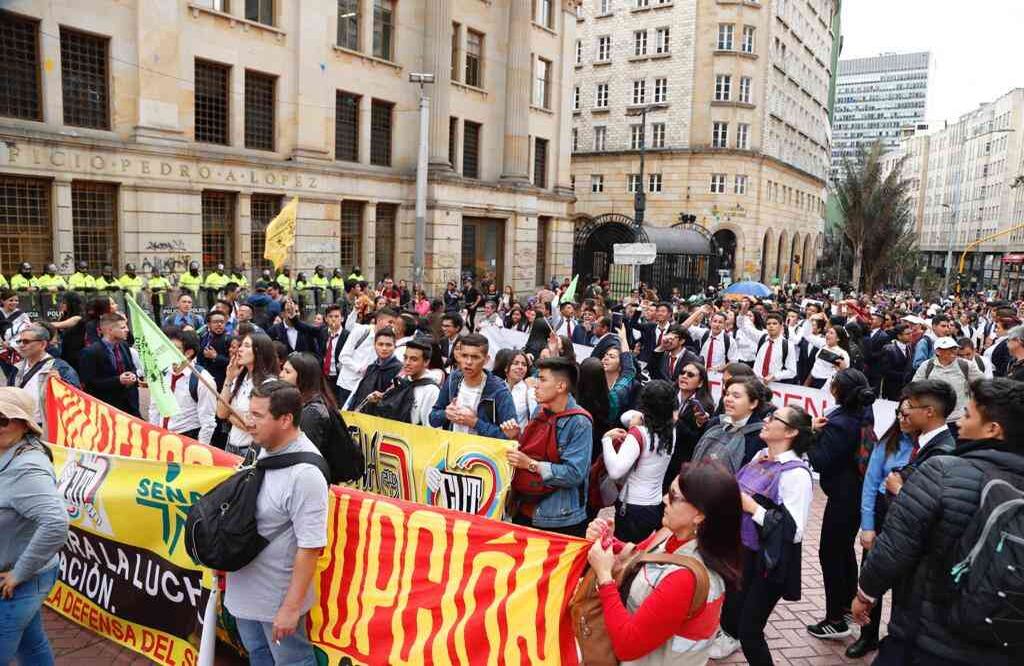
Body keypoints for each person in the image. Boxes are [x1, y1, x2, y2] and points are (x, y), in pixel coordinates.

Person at [853, 378, 1024, 666]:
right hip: (1001, 642)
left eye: (968, 415)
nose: (959, 423)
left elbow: (895, 547)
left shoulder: (942, 471)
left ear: (993, 429)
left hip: (926, 636)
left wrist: (865, 593)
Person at [585, 462, 740, 665]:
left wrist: (605, 577)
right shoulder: (670, 534)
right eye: (668, 492)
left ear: (700, 515)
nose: (664, 499)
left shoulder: (685, 579)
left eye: (674, 497)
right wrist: (609, 541)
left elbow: (627, 646)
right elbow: (642, 555)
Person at [224, 381, 328, 666]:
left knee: (292, 661)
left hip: (277, 600)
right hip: (245, 590)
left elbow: (310, 546)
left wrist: (291, 608)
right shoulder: (264, 447)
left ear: (285, 420)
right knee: (257, 654)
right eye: (249, 412)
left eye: (258, 416)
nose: (248, 421)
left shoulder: (306, 474)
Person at [713, 406, 814, 664]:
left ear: (790, 432)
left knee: (750, 631)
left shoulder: (795, 474)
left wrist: (752, 507)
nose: (766, 421)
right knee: (731, 616)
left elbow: (793, 532)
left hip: (769, 563)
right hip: (743, 553)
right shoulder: (760, 456)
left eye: (774, 419)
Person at [0, 387, 70, 666]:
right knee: (32, 644)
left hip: (19, 582)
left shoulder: (27, 468)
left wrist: (20, 573)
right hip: (21, 577)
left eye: (3, 419)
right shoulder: (8, 449)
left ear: (23, 424)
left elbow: (55, 522)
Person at [804, 369, 875, 641]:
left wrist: (811, 433)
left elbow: (820, 460)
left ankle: (835, 618)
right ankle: (846, 605)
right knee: (843, 551)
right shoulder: (862, 412)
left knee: (830, 554)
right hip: (856, 493)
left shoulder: (842, 421)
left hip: (845, 496)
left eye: (833, 383)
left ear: (838, 392)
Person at [849, 399, 916, 658]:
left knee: (904, 583)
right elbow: (870, 482)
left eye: (908, 413)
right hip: (881, 510)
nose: (902, 418)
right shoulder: (887, 443)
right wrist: (867, 526)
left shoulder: (928, 449)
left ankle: (897, 640)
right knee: (872, 575)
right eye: (899, 412)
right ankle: (868, 636)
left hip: (911, 515)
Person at [501, 356, 593, 536]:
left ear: (561, 386)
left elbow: (575, 474)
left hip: (559, 518)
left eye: (542, 380)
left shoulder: (580, 422)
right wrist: (516, 438)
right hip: (524, 509)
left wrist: (529, 464)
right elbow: (533, 450)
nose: (536, 385)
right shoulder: (540, 409)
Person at [601, 380, 677, 542]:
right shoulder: (672, 431)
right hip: (655, 504)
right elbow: (626, 417)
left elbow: (615, 471)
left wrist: (606, 440)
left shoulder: (638, 434)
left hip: (631, 507)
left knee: (625, 557)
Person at [429, 333, 516, 438]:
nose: (468, 362)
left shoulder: (499, 390)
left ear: (486, 360)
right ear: (458, 356)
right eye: (464, 356)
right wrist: (446, 414)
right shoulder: (453, 379)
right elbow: (433, 419)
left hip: (481, 452)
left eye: (475, 357)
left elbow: (510, 435)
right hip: (452, 448)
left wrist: (475, 423)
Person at [148, 328, 217, 443]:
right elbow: (154, 407)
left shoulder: (203, 379)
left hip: (186, 438)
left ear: (188, 353)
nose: (168, 351)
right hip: (160, 436)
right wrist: (153, 436)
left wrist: (200, 450)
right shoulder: (161, 372)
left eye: (174, 348)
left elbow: (208, 421)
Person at [218, 332, 279, 459]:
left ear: (259, 351)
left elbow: (254, 426)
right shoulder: (239, 378)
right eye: (241, 345)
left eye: (246, 346)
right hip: (230, 445)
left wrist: (231, 414)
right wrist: (228, 379)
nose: (239, 349)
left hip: (251, 451)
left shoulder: (268, 384)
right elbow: (221, 413)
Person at [692, 376, 766, 474]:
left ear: (753, 403)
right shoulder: (716, 423)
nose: (728, 399)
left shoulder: (760, 437)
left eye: (736, 396)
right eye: (727, 394)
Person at [910, 336, 984, 432]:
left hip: (959, 418)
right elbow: (915, 387)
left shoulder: (966, 365)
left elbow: (982, 384)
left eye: (954, 348)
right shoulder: (927, 366)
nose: (953, 351)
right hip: (934, 419)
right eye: (948, 349)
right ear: (938, 352)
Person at [280, 351, 345, 454]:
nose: (281, 375)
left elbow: (305, 454)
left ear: (303, 377)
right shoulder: (297, 401)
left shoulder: (313, 412)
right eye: (282, 370)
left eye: (287, 372)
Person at [12, 324, 79, 422]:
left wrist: (62, 384)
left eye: (26, 341)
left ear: (43, 345)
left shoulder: (60, 368)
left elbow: (75, 397)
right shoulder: (16, 368)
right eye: (19, 341)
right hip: (20, 426)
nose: (21, 345)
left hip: (46, 427)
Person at [79, 314, 140, 416]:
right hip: (107, 408)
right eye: (123, 327)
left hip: (130, 406)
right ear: (110, 330)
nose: (127, 330)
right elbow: (89, 383)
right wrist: (118, 380)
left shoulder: (124, 346)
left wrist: (133, 376)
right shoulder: (91, 352)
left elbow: (131, 368)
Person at [335, 307, 398, 407]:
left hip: (367, 389)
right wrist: (360, 369)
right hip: (348, 384)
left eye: (394, 323)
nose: (392, 326)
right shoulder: (361, 331)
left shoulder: (390, 339)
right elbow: (343, 356)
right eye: (390, 322)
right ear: (379, 320)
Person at [667, 361, 715, 490]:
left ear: (700, 383)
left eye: (690, 374)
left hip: (681, 461)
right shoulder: (668, 394)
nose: (684, 376)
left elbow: (696, 439)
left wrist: (677, 421)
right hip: (661, 453)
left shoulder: (704, 405)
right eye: (682, 373)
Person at [344, 328, 402, 411]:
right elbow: (359, 394)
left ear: (394, 346)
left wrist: (383, 396)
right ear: (374, 345)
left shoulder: (399, 371)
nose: (384, 348)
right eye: (380, 344)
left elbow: (395, 393)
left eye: (388, 345)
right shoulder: (371, 368)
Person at [739, 311, 798, 384]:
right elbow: (744, 327)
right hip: (756, 381)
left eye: (774, 323)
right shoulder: (762, 338)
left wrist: (775, 376)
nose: (771, 326)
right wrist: (742, 314)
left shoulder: (788, 345)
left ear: (781, 326)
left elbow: (792, 371)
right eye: (768, 324)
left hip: (774, 384)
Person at [492, 348, 536, 429]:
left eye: (524, 364)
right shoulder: (496, 387)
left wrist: (531, 391)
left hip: (519, 439)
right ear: (506, 368)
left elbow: (535, 416)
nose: (520, 367)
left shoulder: (529, 390)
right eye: (516, 363)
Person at [880, 323, 914, 400]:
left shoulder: (909, 347)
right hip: (892, 389)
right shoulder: (889, 349)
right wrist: (904, 376)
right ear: (899, 336)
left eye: (911, 333)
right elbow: (885, 371)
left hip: (905, 388)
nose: (910, 335)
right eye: (907, 334)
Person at [198, 310, 231, 391]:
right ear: (209, 324)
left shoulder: (230, 339)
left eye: (222, 322)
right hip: (204, 380)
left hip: (222, 383)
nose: (219, 324)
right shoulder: (203, 337)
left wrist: (215, 357)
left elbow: (233, 363)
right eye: (215, 322)